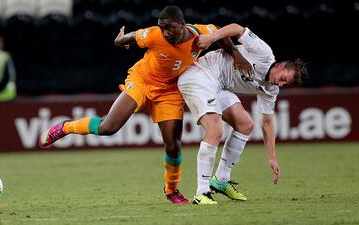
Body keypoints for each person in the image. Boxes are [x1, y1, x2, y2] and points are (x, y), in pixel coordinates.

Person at [39, 6, 250, 204]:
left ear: (182, 25)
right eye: (162, 27)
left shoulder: (201, 34)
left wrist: (236, 54)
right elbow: (131, 37)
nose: (165, 32)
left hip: (169, 90)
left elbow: (221, 35)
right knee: (108, 127)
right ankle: (66, 127)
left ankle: (171, 190)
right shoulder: (154, 35)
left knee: (173, 146)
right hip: (143, 80)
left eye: (169, 28)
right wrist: (120, 41)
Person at [177, 23, 308, 204]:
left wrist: (272, 158)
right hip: (200, 74)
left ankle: (221, 181)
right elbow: (237, 28)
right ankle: (201, 192)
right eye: (283, 78)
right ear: (281, 65)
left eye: (286, 85)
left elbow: (268, 123)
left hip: (218, 86)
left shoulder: (270, 89)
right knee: (215, 131)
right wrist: (210, 38)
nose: (281, 84)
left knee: (246, 125)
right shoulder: (264, 53)